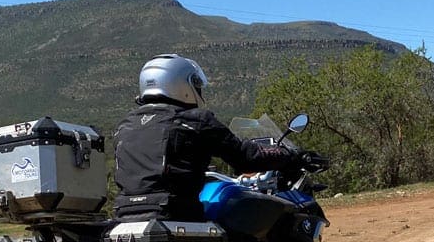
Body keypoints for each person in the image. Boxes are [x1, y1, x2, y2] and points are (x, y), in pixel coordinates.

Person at [113, 53, 299, 221]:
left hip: (124, 216)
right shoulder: (196, 121)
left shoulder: (125, 125)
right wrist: (290, 155)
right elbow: (246, 157)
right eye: (196, 84)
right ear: (182, 85)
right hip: (176, 213)